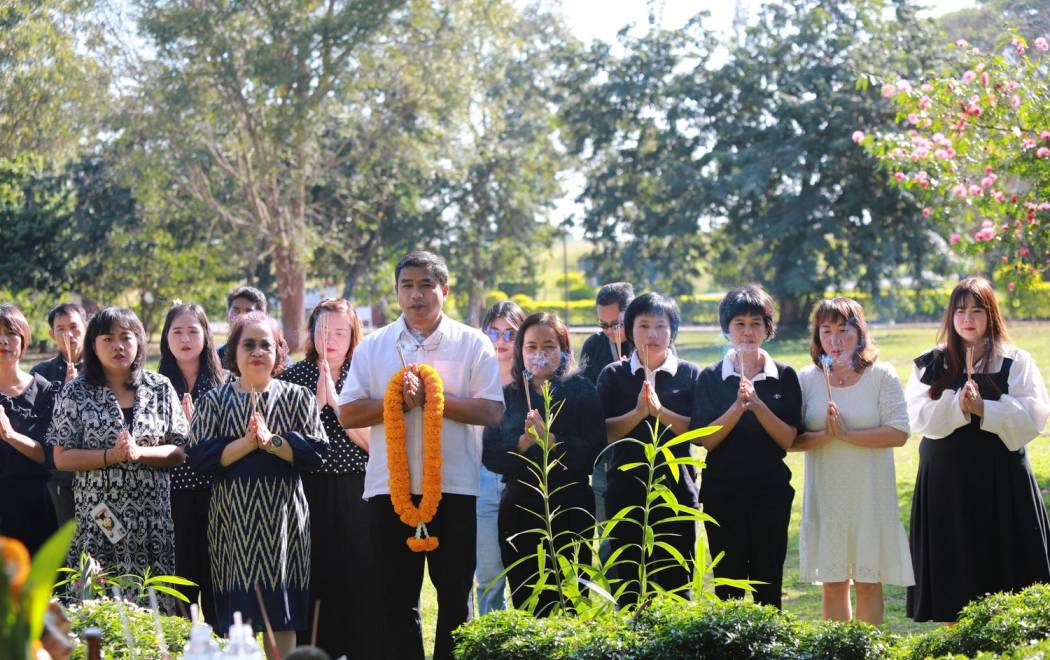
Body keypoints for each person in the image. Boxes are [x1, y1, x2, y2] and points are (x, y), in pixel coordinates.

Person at [338, 251, 503, 660]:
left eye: (426, 285)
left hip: (455, 487)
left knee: (454, 598)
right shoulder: (374, 347)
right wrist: (397, 402)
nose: (416, 295)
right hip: (387, 490)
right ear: (396, 292)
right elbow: (348, 411)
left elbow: (492, 410)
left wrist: (433, 399)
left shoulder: (472, 343)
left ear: (444, 290)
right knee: (394, 600)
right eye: (407, 285)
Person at [905, 277, 1050, 623]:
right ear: (951, 317)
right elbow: (918, 418)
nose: (967, 319)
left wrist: (986, 408)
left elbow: (1033, 420)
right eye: (960, 311)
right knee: (953, 572)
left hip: (1002, 482)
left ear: (991, 314)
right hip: (947, 484)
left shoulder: (1015, 361)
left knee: (1007, 572)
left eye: (976, 310)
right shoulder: (931, 363)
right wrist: (958, 405)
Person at [188, 311, 328, 659]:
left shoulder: (299, 398)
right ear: (233, 352)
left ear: (279, 351)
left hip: (283, 527)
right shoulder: (214, 401)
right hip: (233, 526)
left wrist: (271, 442)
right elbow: (200, 457)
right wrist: (246, 444)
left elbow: (315, 454)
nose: (257, 351)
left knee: (282, 616)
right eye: (248, 344)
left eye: (265, 344)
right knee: (240, 622)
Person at [792, 298, 912, 625]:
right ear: (818, 337)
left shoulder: (881, 375)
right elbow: (792, 440)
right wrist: (827, 436)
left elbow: (899, 432)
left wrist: (846, 434)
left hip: (870, 494)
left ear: (860, 334)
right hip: (827, 494)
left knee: (869, 583)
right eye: (826, 331)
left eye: (843, 331)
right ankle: (838, 650)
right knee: (832, 584)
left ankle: (867, 650)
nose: (835, 340)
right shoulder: (807, 378)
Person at [48, 307, 188, 584]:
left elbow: (179, 451)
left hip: (152, 522)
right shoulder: (75, 392)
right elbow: (61, 457)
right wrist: (110, 456)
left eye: (126, 337)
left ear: (139, 341)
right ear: (94, 346)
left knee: (152, 607)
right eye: (108, 339)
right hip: (99, 517)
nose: (118, 346)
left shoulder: (160, 387)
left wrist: (139, 453)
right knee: (101, 609)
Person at [483, 312, 604, 615]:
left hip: (570, 506)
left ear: (564, 349)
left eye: (549, 346)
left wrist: (552, 442)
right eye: (531, 347)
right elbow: (492, 455)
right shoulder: (509, 396)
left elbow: (594, 451)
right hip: (520, 509)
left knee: (571, 594)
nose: (539, 355)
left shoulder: (582, 391)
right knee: (527, 594)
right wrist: (523, 443)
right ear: (520, 351)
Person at [278, 299, 378, 659]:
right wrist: (314, 410)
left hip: (357, 485)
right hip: (309, 488)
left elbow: (373, 444)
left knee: (359, 570)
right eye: (324, 331)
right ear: (311, 333)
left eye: (340, 331)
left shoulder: (364, 374)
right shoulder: (292, 378)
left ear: (353, 335)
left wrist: (337, 406)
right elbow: (285, 444)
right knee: (314, 572)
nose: (331, 339)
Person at [690, 285, 800, 609]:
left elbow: (788, 439)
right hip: (722, 493)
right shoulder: (710, 377)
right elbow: (705, 440)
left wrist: (757, 405)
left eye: (756, 323)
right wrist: (737, 407)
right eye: (739, 323)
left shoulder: (785, 376)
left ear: (768, 328)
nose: (748, 331)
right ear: (727, 329)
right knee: (728, 585)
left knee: (768, 584)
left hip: (771, 493)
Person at [597, 292, 700, 605]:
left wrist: (658, 413)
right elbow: (602, 433)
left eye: (661, 326)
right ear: (629, 331)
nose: (652, 334)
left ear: (673, 331)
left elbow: (699, 433)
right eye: (643, 325)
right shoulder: (613, 375)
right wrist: (637, 414)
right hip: (625, 494)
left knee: (676, 587)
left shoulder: (689, 374)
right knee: (629, 589)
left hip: (675, 494)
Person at [157, 303, 226, 624]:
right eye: (177, 332)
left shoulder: (225, 383)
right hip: (172, 496)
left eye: (193, 331)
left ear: (206, 336)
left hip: (218, 496)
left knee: (217, 582)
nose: (185, 339)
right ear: (166, 339)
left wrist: (196, 430)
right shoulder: (154, 386)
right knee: (179, 585)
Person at [578, 283, 634, 573]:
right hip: (605, 459)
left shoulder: (649, 340)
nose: (611, 332)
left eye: (617, 324)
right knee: (609, 541)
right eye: (603, 325)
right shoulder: (594, 346)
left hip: (642, 458)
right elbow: (586, 402)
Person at [475, 301, 526, 616]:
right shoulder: (475, 380)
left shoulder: (533, 385)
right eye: (494, 332)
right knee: (489, 578)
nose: (501, 341)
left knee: (526, 575)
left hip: (523, 484)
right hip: (481, 481)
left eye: (510, 333)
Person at [0, 303, 59, 553]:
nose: (3, 340)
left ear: (23, 339)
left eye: (11, 332)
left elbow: (48, 455)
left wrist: (9, 435)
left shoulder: (44, 391)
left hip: (34, 508)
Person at [31, 302, 88, 526]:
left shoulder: (102, 368)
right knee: (67, 538)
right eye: (61, 328)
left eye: (74, 327)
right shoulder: (41, 373)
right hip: (59, 475)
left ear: (86, 327)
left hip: (98, 467)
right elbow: (40, 423)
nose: (69, 334)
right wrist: (65, 394)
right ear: (51, 334)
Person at [216, 286, 267, 363]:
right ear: (227, 314)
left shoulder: (271, 356)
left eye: (248, 311)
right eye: (236, 310)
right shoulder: (217, 357)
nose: (241, 316)